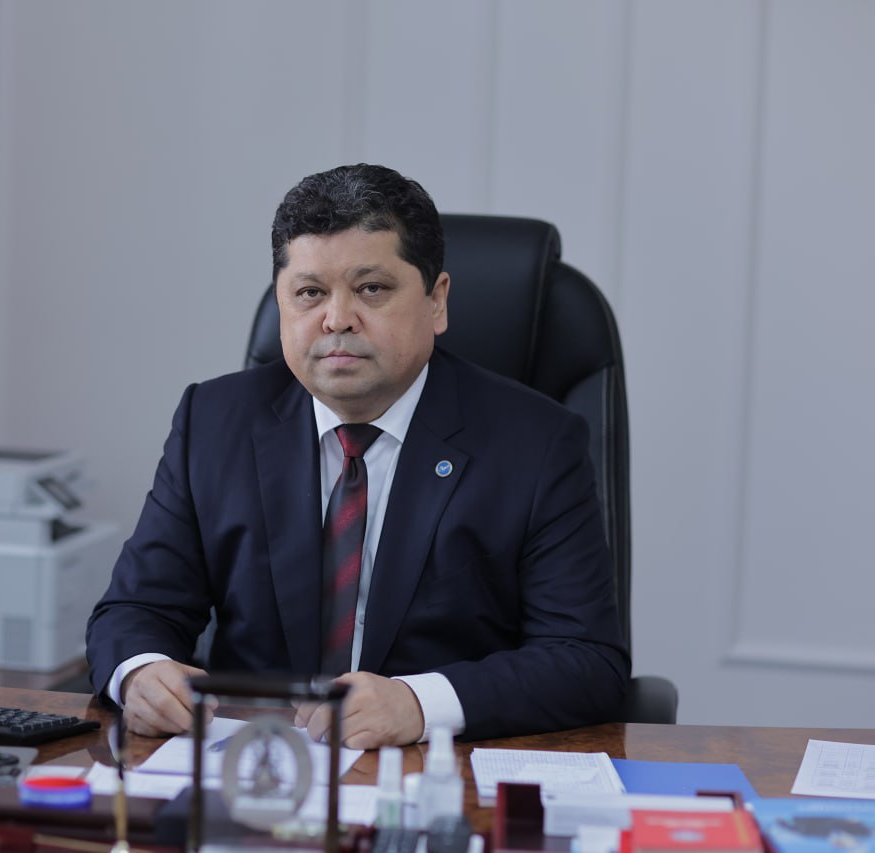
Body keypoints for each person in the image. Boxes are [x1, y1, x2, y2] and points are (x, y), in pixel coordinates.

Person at [85, 163, 629, 748]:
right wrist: (140, 672)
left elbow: (586, 659)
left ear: (436, 301)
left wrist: (419, 703)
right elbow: (135, 609)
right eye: (310, 293)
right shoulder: (214, 422)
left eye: (371, 289)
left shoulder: (537, 442)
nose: (337, 319)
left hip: (432, 773)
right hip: (256, 766)